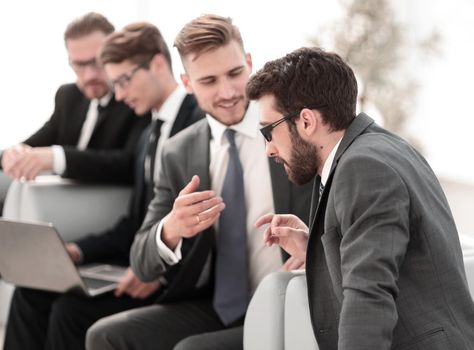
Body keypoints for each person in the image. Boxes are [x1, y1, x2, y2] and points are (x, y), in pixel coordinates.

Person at [85, 14, 311, 350]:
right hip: (218, 304)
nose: (229, 92)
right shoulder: (179, 151)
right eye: (208, 81)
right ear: (187, 83)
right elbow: (141, 260)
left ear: (249, 63)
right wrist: (172, 228)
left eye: (235, 73)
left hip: (292, 299)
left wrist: (316, 254)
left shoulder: (293, 128)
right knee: (104, 336)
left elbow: (341, 205)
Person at [246, 46, 474, 350]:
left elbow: (369, 296)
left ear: (306, 121)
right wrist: (314, 246)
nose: (269, 149)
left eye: (268, 132)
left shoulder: (362, 168)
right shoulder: (381, 148)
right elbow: (388, 256)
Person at [4, 22, 203, 350]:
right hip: (138, 258)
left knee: (70, 313)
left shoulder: (194, 123)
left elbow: (206, 221)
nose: (120, 94)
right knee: (30, 292)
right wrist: (78, 251)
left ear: (157, 64)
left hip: (171, 274)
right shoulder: (149, 135)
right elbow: (134, 224)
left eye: (123, 81)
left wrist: (158, 271)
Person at [0, 12, 148, 184]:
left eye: (97, 62)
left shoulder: (134, 98)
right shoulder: (69, 96)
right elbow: (35, 144)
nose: (89, 75)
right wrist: (11, 154)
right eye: (79, 65)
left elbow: (128, 163)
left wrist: (57, 158)